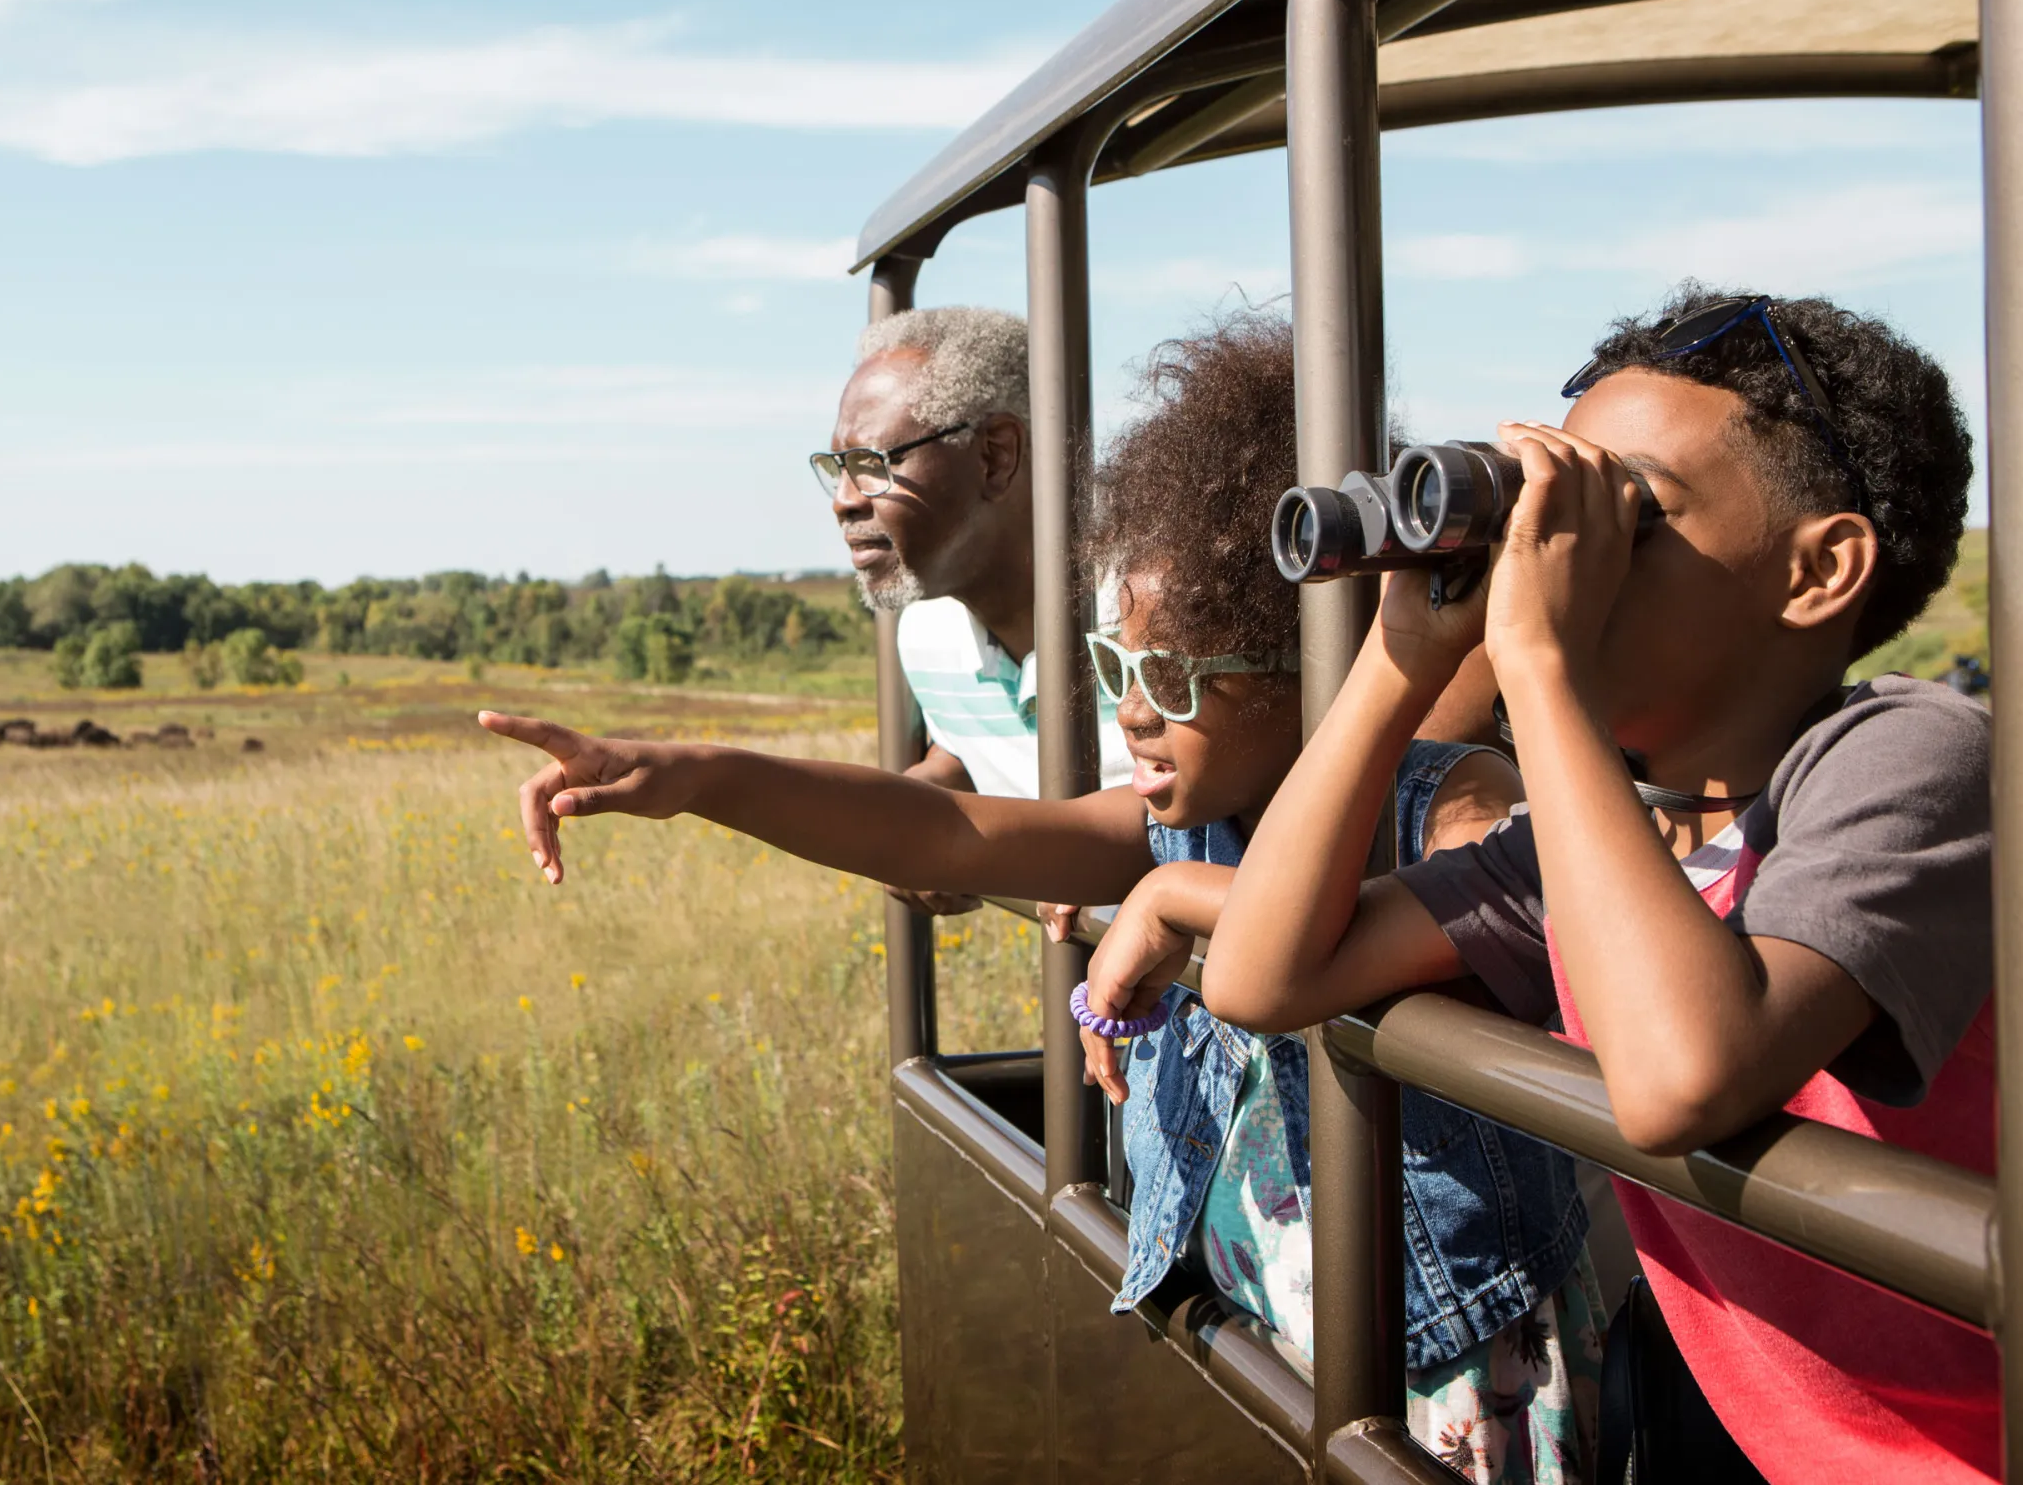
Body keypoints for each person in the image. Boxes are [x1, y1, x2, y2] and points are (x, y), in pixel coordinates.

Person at [487, 311, 1601, 1483]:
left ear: (1296, 670)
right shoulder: (1184, 815)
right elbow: (953, 830)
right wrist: (699, 775)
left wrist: (1176, 900)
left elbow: (1377, 919)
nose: (1125, 715)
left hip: (1451, 1370)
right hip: (1281, 1326)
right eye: (1118, 670)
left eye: (1168, 678)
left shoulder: (1446, 805)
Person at [1181, 288, 1987, 1482]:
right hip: (1736, 1417)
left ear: (1819, 570)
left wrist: (1540, 665)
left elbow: (1678, 1078)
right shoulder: (1624, 818)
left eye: (1628, 516)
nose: (1555, 555)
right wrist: (1400, 662)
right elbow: (1261, 971)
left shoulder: (1914, 754)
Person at [822, 306, 1134, 813]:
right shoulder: (927, 634)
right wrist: (934, 785)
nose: (844, 499)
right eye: (838, 465)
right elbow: (982, 752)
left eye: (873, 463)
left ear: (996, 456)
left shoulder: (1151, 614)